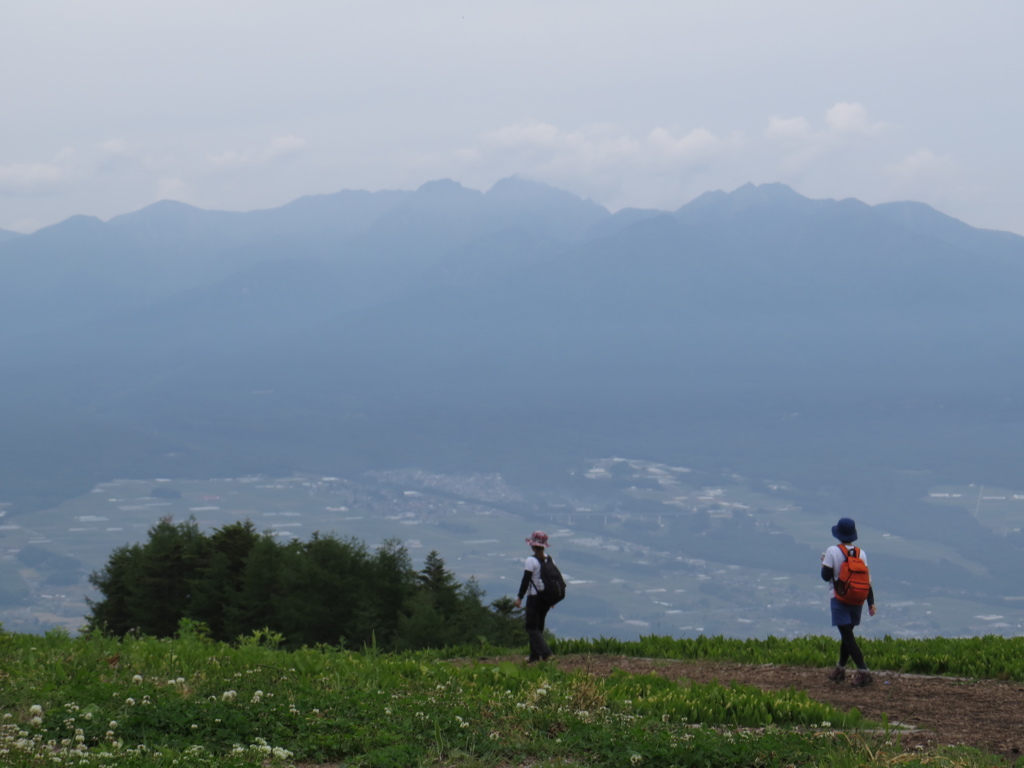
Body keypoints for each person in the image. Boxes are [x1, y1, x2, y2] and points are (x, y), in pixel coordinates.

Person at [821, 517, 876, 687]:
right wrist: (871, 602)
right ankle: (840, 669)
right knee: (847, 635)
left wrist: (824, 563)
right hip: (858, 599)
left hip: (840, 598)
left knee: (847, 636)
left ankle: (863, 671)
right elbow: (866, 579)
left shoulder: (832, 551)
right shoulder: (861, 553)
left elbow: (826, 577)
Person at [514, 530, 555, 662]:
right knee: (539, 627)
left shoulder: (531, 561)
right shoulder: (549, 559)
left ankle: (546, 654)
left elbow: (525, 580)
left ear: (532, 545)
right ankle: (534, 655)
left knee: (531, 627)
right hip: (545, 598)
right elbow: (553, 579)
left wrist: (520, 597)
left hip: (534, 597)